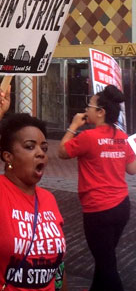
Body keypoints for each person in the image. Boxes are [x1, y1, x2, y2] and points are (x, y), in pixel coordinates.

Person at [0, 85, 66, 291]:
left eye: (44, 148)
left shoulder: (49, 199)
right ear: (8, 156)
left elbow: (58, 268)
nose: (41, 153)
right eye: (30, 146)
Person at [58, 84, 136, 291]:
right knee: (105, 257)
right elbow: (132, 169)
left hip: (98, 210)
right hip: (122, 207)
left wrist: (73, 126)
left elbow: (62, 152)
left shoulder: (87, 137)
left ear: (100, 112)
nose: (86, 110)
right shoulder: (122, 137)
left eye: (89, 106)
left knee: (107, 263)